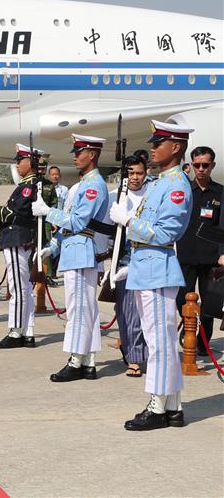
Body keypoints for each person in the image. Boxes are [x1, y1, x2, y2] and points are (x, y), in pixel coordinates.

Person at [111, 121, 193, 430]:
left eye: (159, 143)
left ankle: (157, 406)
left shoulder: (176, 185)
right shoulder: (161, 182)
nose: (153, 148)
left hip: (158, 270)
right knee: (161, 341)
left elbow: (166, 232)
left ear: (175, 147)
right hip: (147, 268)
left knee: (159, 343)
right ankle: (173, 406)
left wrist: (128, 219)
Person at [35, 135, 109, 381]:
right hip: (75, 249)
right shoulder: (86, 184)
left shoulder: (91, 185)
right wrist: (54, 246)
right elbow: (72, 223)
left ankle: (76, 359)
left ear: (93, 155)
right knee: (86, 308)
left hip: (81, 252)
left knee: (78, 309)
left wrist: (48, 212)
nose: (75, 157)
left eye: (80, 152)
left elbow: (77, 222)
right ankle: (88, 359)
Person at [0, 143, 40, 348]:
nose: (17, 164)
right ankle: (28, 330)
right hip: (13, 237)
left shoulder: (29, 186)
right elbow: (10, 218)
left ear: (30, 163)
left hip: (18, 239)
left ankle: (16, 331)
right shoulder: (24, 185)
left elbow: (16, 214)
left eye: (19, 160)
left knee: (18, 287)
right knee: (23, 287)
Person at [104, 155, 149, 376]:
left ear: (145, 173)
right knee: (126, 312)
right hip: (122, 258)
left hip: (147, 256)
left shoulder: (151, 194)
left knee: (145, 314)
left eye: (138, 173)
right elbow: (106, 230)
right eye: (130, 173)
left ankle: (137, 357)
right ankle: (133, 356)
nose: (134, 177)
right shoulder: (116, 196)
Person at [175, 146, 222, 351]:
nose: (201, 169)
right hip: (185, 254)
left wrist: (222, 253)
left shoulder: (220, 192)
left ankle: (203, 341)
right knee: (181, 298)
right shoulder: (184, 191)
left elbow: (223, 226)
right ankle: (189, 329)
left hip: (212, 258)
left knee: (210, 302)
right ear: (191, 165)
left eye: (205, 165)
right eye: (197, 165)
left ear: (212, 165)